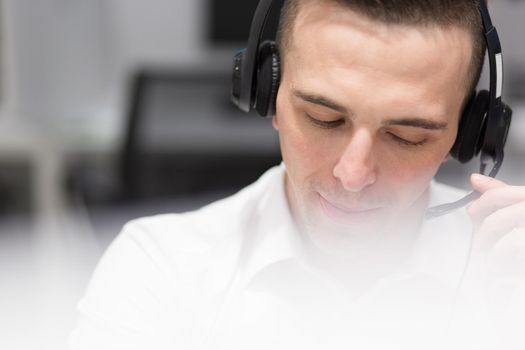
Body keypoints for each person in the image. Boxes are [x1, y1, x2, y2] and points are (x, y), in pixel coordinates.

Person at [70, 1, 525, 349]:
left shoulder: (506, 274)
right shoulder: (159, 268)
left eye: (407, 137)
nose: (354, 174)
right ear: (266, 95)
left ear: (468, 136)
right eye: (323, 119)